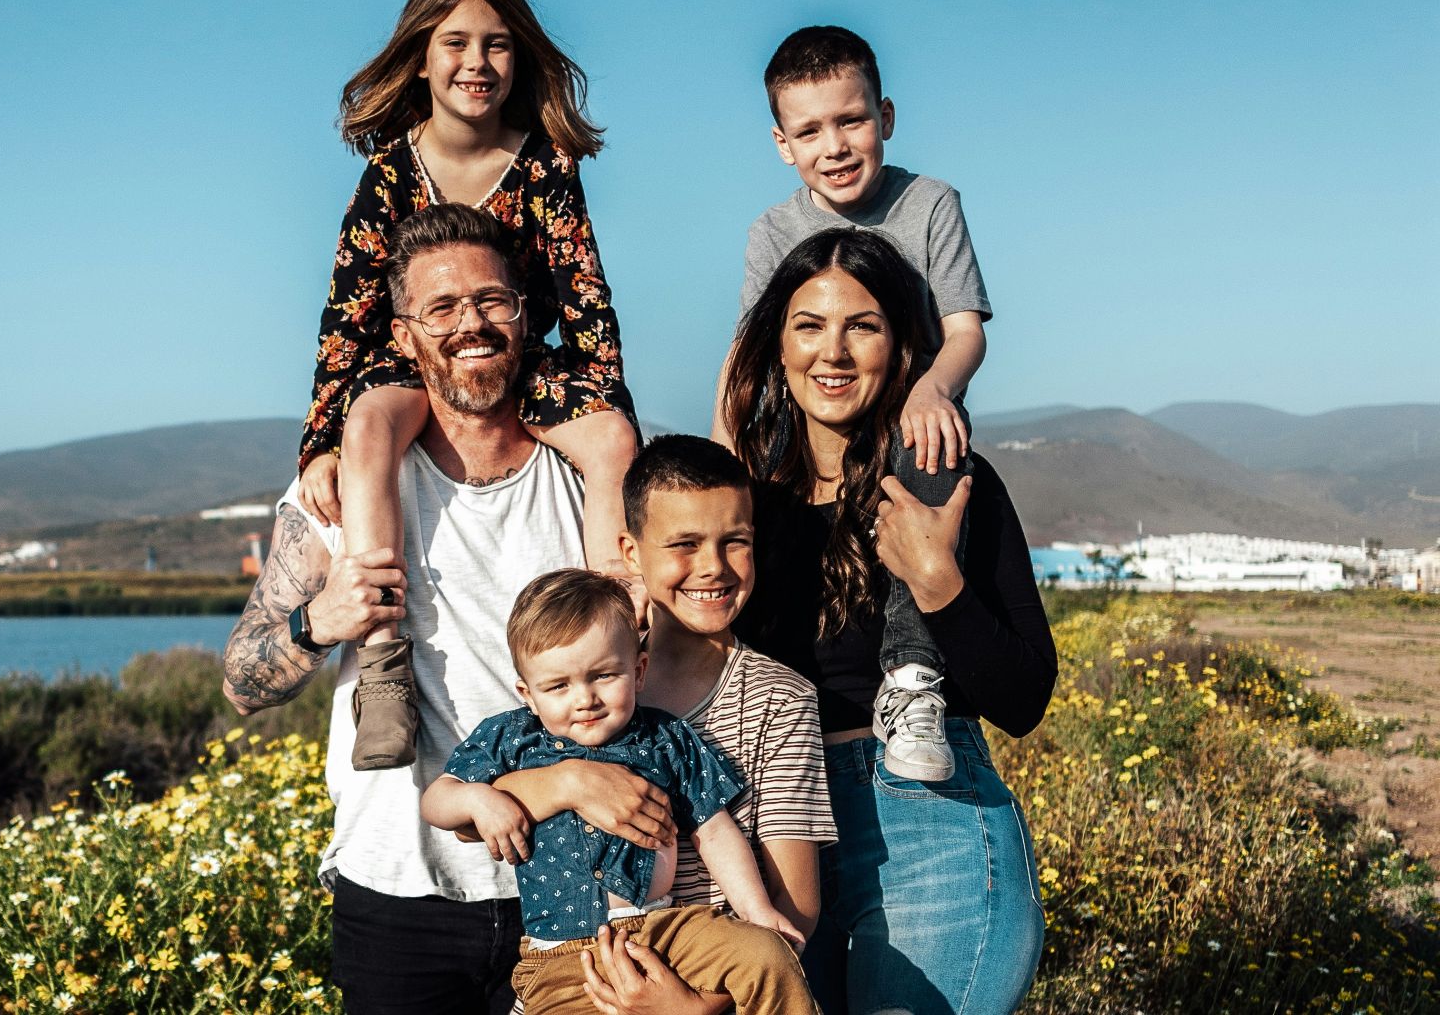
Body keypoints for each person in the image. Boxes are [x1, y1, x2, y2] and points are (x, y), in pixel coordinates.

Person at [225, 205, 631, 1014]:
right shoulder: (342, 493)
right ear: (404, 336)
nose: (470, 324)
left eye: (492, 301)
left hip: (575, 889)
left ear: (525, 316)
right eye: (441, 308)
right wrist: (321, 621)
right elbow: (241, 680)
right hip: (396, 888)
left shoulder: (586, 481)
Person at [699, 227, 1053, 1015]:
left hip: (928, 820)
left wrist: (937, 582)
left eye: (862, 326)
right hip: (773, 828)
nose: (833, 352)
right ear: (777, 346)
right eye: (808, 325)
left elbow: (1024, 697)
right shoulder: (739, 504)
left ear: (901, 349)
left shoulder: (947, 481)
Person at [298, 0, 639, 772]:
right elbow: (345, 318)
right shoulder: (388, 172)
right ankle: (384, 664)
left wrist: (605, 408)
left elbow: (586, 300)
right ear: (421, 58)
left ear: (519, 59)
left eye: (496, 44)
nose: (476, 63)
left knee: (613, 441)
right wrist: (318, 443)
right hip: (410, 363)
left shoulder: (546, 165)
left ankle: (624, 630)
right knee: (369, 424)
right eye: (455, 43)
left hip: (523, 361)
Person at [713, 25, 996, 783]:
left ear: (886, 117)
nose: (834, 146)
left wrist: (934, 387)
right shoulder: (774, 231)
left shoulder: (930, 203)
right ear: (783, 144)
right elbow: (746, 355)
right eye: (809, 131)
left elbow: (965, 331)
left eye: (851, 121)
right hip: (808, 433)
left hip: (910, 426)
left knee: (929, 450)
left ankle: (912, 680)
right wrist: (721, 456)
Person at [470, 434, 838, 1015]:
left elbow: (796, 908)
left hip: (704, 986)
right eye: (684, 544)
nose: (712, 566)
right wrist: (570, 782)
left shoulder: (780, 699)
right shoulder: (577, 679)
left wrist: (690, 1008)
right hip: (573, 972)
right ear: (632, 553)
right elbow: (474, 821)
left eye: (735, 542)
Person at [422, 569, 813, 1015]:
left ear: (638, 671)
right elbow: (438, 800)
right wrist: (477, 798)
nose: (584, 698)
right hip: (562, 958)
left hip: (667, 930)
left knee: (766, 955)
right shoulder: (512, 739)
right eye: (558, 686)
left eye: (604, 675)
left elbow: (715, 831)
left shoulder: (665, 738)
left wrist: (756, 910)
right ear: (527, 694)